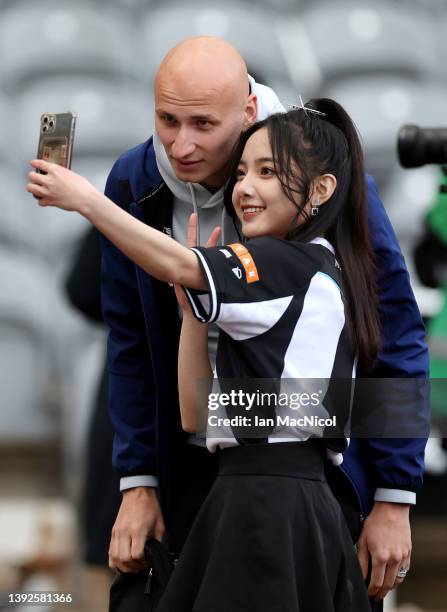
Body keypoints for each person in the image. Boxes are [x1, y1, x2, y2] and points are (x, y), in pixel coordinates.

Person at [28, 37, 429, 609]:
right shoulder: (136, 179)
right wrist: (138, 480)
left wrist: (395, 493)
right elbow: (133, 348)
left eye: (203, 124)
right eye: (167, 120)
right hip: (200, 458)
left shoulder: (327, 192)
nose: (182, 144)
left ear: (246, 112)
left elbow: (395, 333)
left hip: (307, 476)